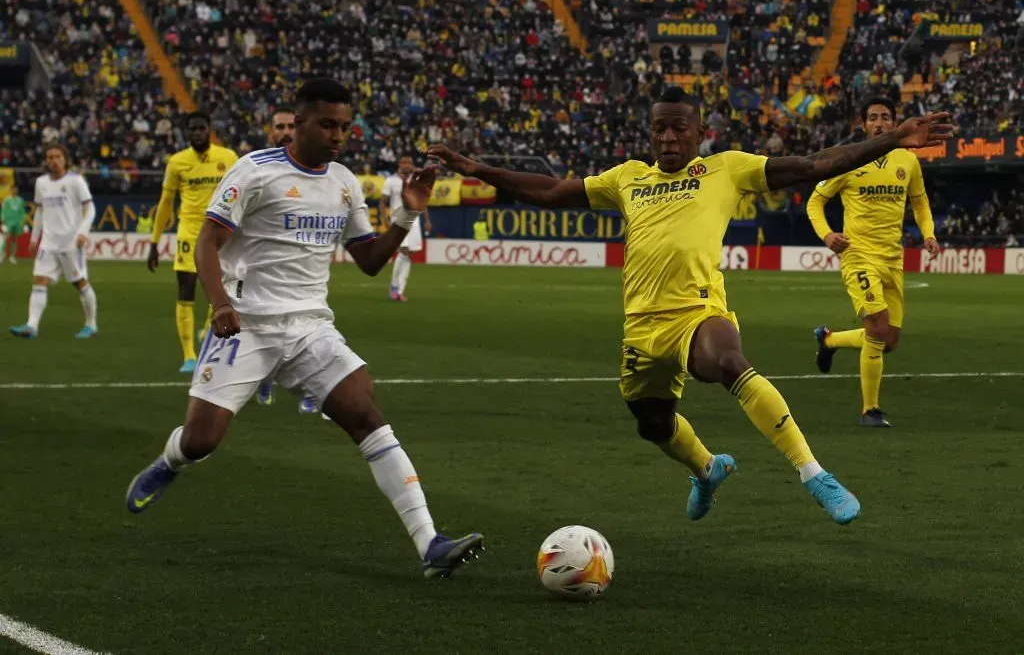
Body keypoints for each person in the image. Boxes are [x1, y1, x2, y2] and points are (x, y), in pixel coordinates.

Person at [428, 86, 953, 525]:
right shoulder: (627, 178)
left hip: (698, 311)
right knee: (652, 423)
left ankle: (814, 473)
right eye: (660, 128)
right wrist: (472, 166)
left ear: (700, 132)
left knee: (727, 362)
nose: (668, 137)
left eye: (680, 128)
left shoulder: (726, 170)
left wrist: (895, 136)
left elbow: (813, 164)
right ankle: (707, 469)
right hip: (641, 328)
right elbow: (548, 190)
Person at [125, 77, 483, 577]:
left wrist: (407, 212)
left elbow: (370, 261)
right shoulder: (254, 171)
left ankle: (429, 543)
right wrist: (221, 303)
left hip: (310, 327)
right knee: (202, 440)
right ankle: (170, 462)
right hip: (245, 325)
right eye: (327, 125)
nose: (338, 135)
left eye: (345, 126)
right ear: (299, 124)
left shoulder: (344, 182)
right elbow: (208, 242)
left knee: (365, 411)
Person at [807, 96, 940, 428]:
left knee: (889, 340)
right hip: (858, 255)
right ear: (863, 124)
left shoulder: (907, 162)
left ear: (894, 124)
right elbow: (815, 202)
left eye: (885, 117)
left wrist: (929, 233)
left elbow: (920, 203)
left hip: (893, 258)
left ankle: (829, 339)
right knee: (878, 330)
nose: (879, 122)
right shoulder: (848, 160)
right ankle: (870, 410)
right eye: (873, 118)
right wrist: (827, 236)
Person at [149, 111, 239, 373]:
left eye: (201, 128)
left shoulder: (228, 158)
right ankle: (189, 355)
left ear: (209, 129)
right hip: (189, 232)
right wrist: (154, 242)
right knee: (186, 289)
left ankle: (208, 329)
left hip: (220, 231)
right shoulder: (177, 162)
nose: (197, 133)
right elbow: (166, 203)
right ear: (186, 133)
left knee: (222, 287)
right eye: (192, 129)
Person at [253, 107, 319, 414]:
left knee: (310, 337)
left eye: (292, 125)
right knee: (270, 339)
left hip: (305, 274)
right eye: (280, 126)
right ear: (271, 131)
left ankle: (309, 391)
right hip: (264, 275)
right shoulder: (256, 170)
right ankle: (266, 379)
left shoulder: (319, 171)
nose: (286, 131)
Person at [9, 143, 98, 339]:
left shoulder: (76, 181)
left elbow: (90, 209)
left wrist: (83, 232)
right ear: (46, 161)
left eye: (57, 156)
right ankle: (31, 326)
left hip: (71, 242)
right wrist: (34, 238)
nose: (54, 160)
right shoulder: (41, 183)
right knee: (39, 280)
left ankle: (91, 325)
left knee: (80, 283)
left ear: (65, 160)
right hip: (48, 243)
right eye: (50, 157)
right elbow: (40, 211)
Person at [379, 154, 431, 301]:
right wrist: (385, 220)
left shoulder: (417, 181)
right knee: (403, 250)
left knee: (408, 253)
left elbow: (422, 201)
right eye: (403, 162)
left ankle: (399, 289)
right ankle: (395, 288)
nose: (406, 165)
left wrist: (427, 219)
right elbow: (383, 202)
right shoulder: (390, 181)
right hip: (398, 216)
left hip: (414, 218)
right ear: (399, 164)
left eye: (409, 162)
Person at [1, 185, 27, 264]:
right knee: (5, 238)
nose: (14, 191)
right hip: (8, 221)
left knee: (14, 239)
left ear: (17, 191)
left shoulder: (20, 200)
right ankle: (2, 254)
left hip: (17, 221)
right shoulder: (7, 200)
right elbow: (3, 210)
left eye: (16, 190)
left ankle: (12, 256)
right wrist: (2, 220)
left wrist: (23, 221)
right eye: (13, 189)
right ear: (10, 190)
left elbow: (22, 211)